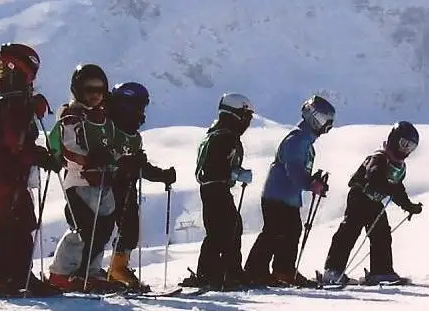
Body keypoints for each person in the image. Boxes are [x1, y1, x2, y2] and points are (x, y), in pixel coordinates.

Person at [0, 43, 64, 297]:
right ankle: (0, 277)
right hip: (8, 167)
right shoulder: (13, 103)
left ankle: (9, 275)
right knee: (13, 217)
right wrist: (41, 157)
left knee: (12, 217)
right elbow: (16, 142)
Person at [45, 64, 128, 293]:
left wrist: (124, 158)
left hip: (103, 182)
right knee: (82, 229)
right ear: (77, 90)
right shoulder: (72, 117)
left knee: (102, 230)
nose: (95, 94)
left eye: (100, 89)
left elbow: (112, 145)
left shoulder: (101, 118)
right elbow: (70, 148)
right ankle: (61, 273)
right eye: (89, 89)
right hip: (80, 182)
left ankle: (89, 273)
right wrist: (91, 160)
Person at [243, 95, 336, 288]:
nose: (327, 128)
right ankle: (259, 271)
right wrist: (310, 183)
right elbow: (293, 169)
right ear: (314, 118)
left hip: (286, 195)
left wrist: (312, 180)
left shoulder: (303, 139)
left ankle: (280, 270)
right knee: (276, 232)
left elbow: (298, 169)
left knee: (289, 231)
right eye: (325, 122)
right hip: (278, 195)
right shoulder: (298, 139)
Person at [320, 121, 424, 286]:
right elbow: (373, 177)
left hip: (374, 201)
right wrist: (388, 188)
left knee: (382, 234)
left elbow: (398, 189)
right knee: (348, 233)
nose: (406, 150)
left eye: (410, 147)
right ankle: (333, 270)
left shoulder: (398, 166)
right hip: (359, 198)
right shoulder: (380, 157)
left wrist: (408, 206)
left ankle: (381, 271)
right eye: (404, 144)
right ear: (394, 139)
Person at [104, 81, 177, 292]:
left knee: (129, 231)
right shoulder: (108, 129)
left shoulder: (134, 137)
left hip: (127, 190)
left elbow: (141, 166)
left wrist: (162, 175)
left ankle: (117, 270)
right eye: (138, 107)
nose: (141, 113)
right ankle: (97, 271)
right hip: (108, 187)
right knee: (104, 230)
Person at [181, 92, 256, 291]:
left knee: (228, 227)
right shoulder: (224, 136)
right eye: (245, 115)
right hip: (216, 189)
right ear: (235, 114)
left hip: (214, 189)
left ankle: (223, 272)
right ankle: (216, 274)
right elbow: (215, 166)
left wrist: (233, 173)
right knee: (223, 230)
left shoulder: (217, 133)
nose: (247, 121)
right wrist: (235, 173)